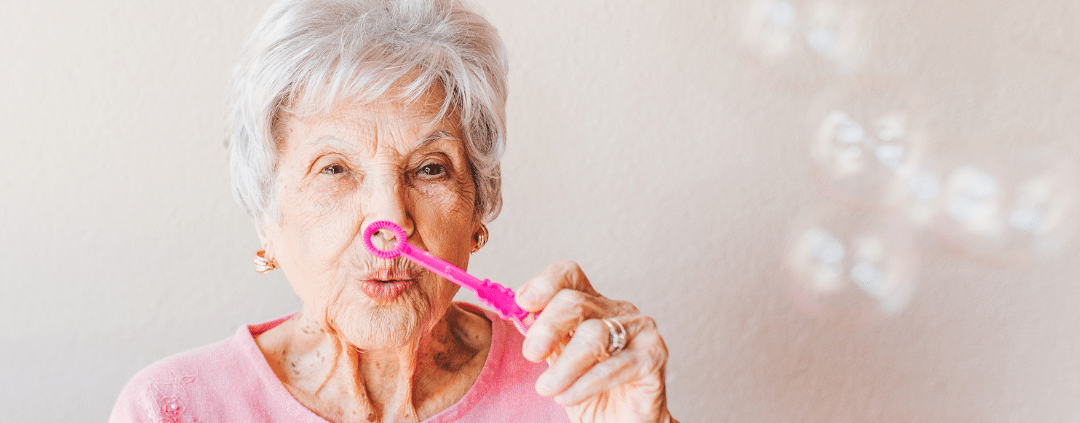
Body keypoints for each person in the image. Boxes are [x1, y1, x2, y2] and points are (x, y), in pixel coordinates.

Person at [109, 0, 678, 422]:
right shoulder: (171, 408)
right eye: (335, 170)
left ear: (478, 207)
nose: (391, 221)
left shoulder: (571, 390)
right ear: (267, 218)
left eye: (430, 168)